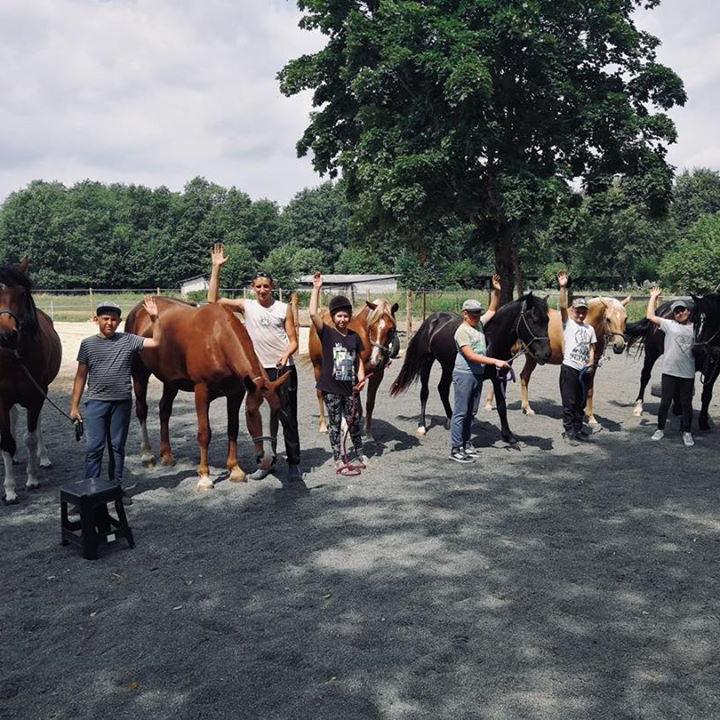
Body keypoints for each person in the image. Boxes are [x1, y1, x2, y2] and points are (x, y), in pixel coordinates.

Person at [207, 243, 302, 481]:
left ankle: (294, 462)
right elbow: (213, 299)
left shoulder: (283, 308)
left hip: (282, 370)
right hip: (257, 373)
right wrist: (216, 268)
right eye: (258, 286)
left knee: (287, 417)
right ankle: (266, 462)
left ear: (272, 287)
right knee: (261, 417)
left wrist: (285, 355)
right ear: (253, 288)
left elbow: (293, 341)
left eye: (266, 286)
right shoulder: (246, 306)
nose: (262, 290)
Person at [69, 297, 162, 500]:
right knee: (94, 449)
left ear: (119, 322)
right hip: (96, 403)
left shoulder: (128, 340)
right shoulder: (87, 345)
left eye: (113, 319)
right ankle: (90, 492)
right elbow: (80, 376)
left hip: (121, 403)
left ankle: (116, 489)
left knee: (117, 448)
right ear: (96, 320)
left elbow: (156, 342)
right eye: (105, 318)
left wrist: (155, 318)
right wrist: (74, 406)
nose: (109, 323)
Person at [309, 272, 367, 474]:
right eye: (339, 316)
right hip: (332, 389)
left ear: (350, 317)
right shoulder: (327, 333)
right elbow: (313, 314)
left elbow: (358, 359)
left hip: (350, 388)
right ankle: (337, 457)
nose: (343, 319)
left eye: (346, 316)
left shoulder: (354, 337)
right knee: (334, 424)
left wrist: (361, 377)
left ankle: (359, 452)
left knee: (354, 421)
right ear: (333, 317)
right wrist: (316, 289)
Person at [448, 274, 508, 463]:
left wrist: (496, 291)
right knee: (460, 412)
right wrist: (495, 361)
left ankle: (466, 443)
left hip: (477, 374)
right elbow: (470, 355)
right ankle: (456, 448)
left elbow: (492, 309)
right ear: (464, 313)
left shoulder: (479, 325)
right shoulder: (462, 331)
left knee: (471, 411)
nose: (476, 316)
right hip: (464, 374)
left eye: (477, 313)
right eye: (472, 313)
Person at [646, 287, 696, 446]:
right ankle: (660, 429)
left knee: (686, 404)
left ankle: (687, 432)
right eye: (676, 312)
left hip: (687, 373)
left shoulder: (695, 329)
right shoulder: (669, 324)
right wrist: (653, 297)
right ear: (673, 314)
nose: (680, 313)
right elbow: (650, 316)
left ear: (688, 311)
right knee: (665, 402)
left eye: (682, 310)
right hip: (669, 372)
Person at [557, 271, 597, 446]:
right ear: (572, 311)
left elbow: (592, 348)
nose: (581, 314)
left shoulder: (590, 329)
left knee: (581, 402)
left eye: (583, 312)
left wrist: (591, 362)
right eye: (578, 311)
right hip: (569, 368)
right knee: (569, 401)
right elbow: (562, 306)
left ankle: (578, 429)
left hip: (584, 369)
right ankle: (569, 431)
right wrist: (563, 287)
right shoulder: (568, 323)